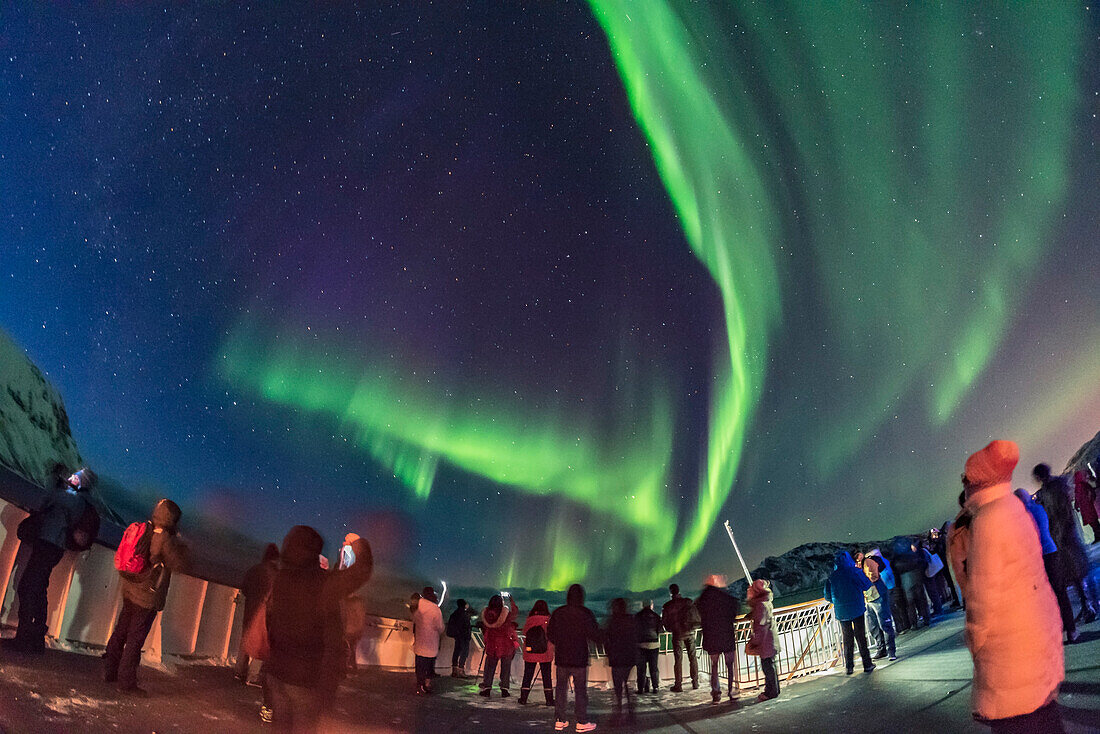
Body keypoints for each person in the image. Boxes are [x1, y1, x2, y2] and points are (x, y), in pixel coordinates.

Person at [953, 441, 1064, 732]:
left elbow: (982, 595)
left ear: (976, 482)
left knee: (1021, 721)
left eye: (966, 480)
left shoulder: (989, 521)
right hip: (1035, 629)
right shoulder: (1013, 507)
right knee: (1044, 717)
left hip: (1009, 648)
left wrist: (975, 639)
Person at [266, 525, 372, 731]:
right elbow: (362, 571)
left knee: (281, 727)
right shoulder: (323, 584)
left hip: (276, 671)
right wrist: (357, 543)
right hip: (306, 677)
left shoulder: (280, 578)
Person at [6, 465, 96, 654]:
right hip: (51, 545)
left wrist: (54, 479)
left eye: (76, 477)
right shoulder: (75, 499)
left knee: (28, 587)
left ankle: (26, 638)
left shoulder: (74, 499)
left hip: (49, 545)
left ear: (83, 483)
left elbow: (49, 497)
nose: (72, 477)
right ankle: (34, 639)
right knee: (37, 589)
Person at [103, 498, 189, 694]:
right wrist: (181, 544)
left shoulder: (145, 529)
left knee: (121, 630)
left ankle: (110, 670)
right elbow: (179, 564)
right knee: (135, 639)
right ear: (172, 520)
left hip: (130, 589)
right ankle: (126, 683)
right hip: (146, 597)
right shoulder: (165, 539)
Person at [1034, 463, 1097, 624]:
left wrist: (1060, 532)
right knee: (1074, 573)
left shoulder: (1055, 487)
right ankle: (1087, 604)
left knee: (1079, 570)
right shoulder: (1049, 489)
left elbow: (1062, 511)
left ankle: (1090, 605)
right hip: (1060, 536)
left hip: (1066, 536)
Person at [1015, 488, 1078, 643]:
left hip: (1037, 558)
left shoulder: (1021, 517)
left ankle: (1057, 629)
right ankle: (1071, 629)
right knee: (1060, 592)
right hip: (1051, 552)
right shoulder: (1040, 509)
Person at [547, 583, 600, 733]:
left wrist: (560, 643)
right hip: (579, 658)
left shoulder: (558, 612)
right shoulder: (586, 613)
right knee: (580, 691)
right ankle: (581, 721)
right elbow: (594, 634)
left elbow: (550, 634)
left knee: (561, 690)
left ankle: (560, 720)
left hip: (562, 658)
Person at [234, 542, 279, 684]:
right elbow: (276, 597)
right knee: (261, 644)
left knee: (245, 639)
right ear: (276, 558)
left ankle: (239, 672)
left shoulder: (254, 569)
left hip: (250, 609)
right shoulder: (276, 575)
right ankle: (253, 676)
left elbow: (245, 589)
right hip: (265, 613)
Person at [824, 550, 874, 675]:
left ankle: (849, 667)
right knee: (861, 636)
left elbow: (827, 596)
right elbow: (866, 585)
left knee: (847, 638)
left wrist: (838, 601)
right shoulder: (855, 571)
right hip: (857, 608)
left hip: (842, 611)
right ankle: (867, 664)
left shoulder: (832, 577)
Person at [694, 574, 739, 705]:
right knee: (730, 665)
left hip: (711, 637)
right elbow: (734, 610)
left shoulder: (703, 599)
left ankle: (716, 693)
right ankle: (731, 691)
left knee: (714, 666)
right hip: (726, 635)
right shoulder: (726, 597)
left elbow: (699, 613)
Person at [661, 583, 699, 692]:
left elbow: (665, 622)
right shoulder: (687, 602)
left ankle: (678, 685)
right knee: (693, 657)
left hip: (677, 635)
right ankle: (695, 682)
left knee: (678, 660)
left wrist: (671, 629)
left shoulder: (668, 605)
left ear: (671, 592)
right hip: (690, 633)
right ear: (679, 591)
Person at [746, 579, 780, 701]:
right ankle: (774, 690)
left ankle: (771, 692)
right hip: (770, 639)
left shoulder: (760, 605)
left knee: (768, 668)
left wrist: (754, 642)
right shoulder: (765, 602)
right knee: (770, 666)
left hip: (766, 642)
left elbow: (760, 627)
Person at [479, 593, 518, 697]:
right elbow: (515, 613)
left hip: (492, 644)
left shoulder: (487, 614)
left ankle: (487, 688)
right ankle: (504, 690)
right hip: (505, 645)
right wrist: (511, 600)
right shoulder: (505, 614)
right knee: (505, 667)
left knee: (489, 667)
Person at [861, 554, 896, 661]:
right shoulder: (858, 565)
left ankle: (891, 651)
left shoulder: (867, 562)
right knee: (873, 626)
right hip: (868, 598)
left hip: (877, 595)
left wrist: (861, 578)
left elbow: (874, 576)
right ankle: (882, 649)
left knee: (884, 624)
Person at [519, 599, 554, 705]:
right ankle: (549, 700)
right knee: (546, 676)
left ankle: (523, 698)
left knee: (528, 675)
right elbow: (551, 634)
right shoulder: (548, 619)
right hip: (545, 651)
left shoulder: (530, 619)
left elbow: (525, 632)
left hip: (530, 651)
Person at [413, 586, 444, 694]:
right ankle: (426, 685)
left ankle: (419, 685)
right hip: (431, 644)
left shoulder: (418, 607)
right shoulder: (436, 610)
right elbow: (440, 627)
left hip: (420, 642)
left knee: (420, 666)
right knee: (428, 667)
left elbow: (415, 619)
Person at [634, 599, 662, 694]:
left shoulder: (637, 616)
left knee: (641, 669)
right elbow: (660, 630)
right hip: (654, 645)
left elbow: (634, 630)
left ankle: (641, 688)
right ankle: (655, 687)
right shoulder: (656, 616)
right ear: (651, 605)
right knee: (653, 668)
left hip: (641, 645)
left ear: (643, 605)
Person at [446, 599, 474, 677]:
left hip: (457, 636)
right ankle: (461, 670)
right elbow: (467, 626)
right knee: (464, 652)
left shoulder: (454, 614)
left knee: (456, 652)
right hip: (464, 636)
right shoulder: (465, 614)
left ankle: (454, 670)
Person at [1073, 469, 1100, 543]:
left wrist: (1090, 500)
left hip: (1087, 506)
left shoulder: (1083, 485)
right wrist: (1077, 505)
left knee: (1093, 521)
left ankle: (1098, 535)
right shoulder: (1079, 486)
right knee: (1092, 521)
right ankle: (1097, 535)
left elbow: (1091, 492)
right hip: (1084, 507)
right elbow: (1077, 497)